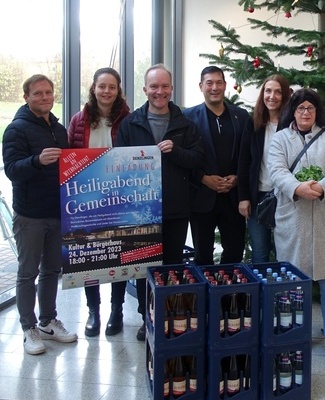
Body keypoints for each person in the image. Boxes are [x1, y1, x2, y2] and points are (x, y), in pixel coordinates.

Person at [115, 64, 203, 341]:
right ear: (145, 89)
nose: (159, 92)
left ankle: (169, 315)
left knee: (172, 266)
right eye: (154, 86)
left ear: (171, 89)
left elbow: (197, 159)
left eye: (165, 86)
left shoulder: (185, 123)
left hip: (176, 209)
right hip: (141, 211)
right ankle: (147, 317)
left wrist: (175, 151)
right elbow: (118, 164)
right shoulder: (131, 123)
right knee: (144, 268)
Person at [268, 88, 325, 364]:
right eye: (301, 108)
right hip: (293, 219)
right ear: (293, 111)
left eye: (310, 108)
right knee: (292, 281)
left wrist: (321, 187)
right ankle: (293, 332)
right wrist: (297, 187)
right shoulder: (280, 139)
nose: (305, 113)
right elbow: (277, 171)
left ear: (317, 112)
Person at [2, 74, 78, 355]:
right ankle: (28, 328)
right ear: (26, 97)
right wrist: (37, 160)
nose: (45, 97)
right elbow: (12, 170)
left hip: (58, 212)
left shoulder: (59, 129)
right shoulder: (16, 129)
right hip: (30, 216)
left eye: (48, 92)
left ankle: (48, 322)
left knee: (52, 270)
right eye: (38, 93)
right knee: (27, 273)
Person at [67, 67, 131, 337]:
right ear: (93, 88)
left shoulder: (128, 119)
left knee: (119, 254)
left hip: (120, 196)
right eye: (101, 86)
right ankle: (94, 311)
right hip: (87, 200)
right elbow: (69, 158)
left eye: (111, 87)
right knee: (89, 257)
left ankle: (117, 309)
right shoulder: (79, 120)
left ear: (118, 90)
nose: (106, 91)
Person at [183, 66, 249, 265]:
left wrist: (237, 178)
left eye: (218, 83)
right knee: (202, 256)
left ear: (225, 85)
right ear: (201, 86)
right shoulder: (187, 117)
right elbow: (183, 157)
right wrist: (203, 178)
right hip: (202, 197)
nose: (214, 88)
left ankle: (228, 287)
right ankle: (205, 287)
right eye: (209, 83)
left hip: (233, 197)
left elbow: (248, 154)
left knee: (234, 254)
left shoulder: (241, 116)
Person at [237, 74, 291, 262]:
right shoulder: (253, 123)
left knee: (284, 254)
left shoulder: (291, 125)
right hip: (258, 197)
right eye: (268, 91)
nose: (272, 96)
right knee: (260, 254)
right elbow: (244, 162)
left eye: (278, 92)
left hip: (285, 198)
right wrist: (243, 197)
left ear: (285, 96)